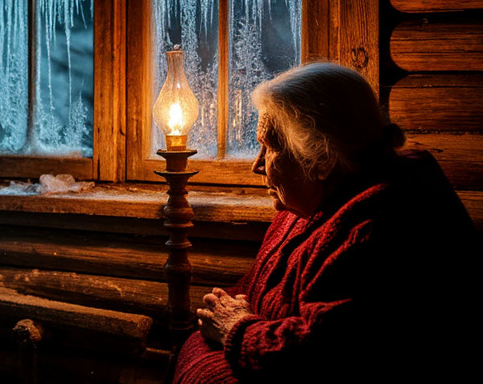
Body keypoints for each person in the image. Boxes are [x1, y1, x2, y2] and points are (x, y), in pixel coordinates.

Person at [172, 62, 480, 384]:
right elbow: (257, 289)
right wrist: (221, 313)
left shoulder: (380, 228)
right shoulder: (303, 209)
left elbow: (326, 352)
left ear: (322, 159)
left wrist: (237, 329)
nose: (257, 165)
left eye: (271, 147)